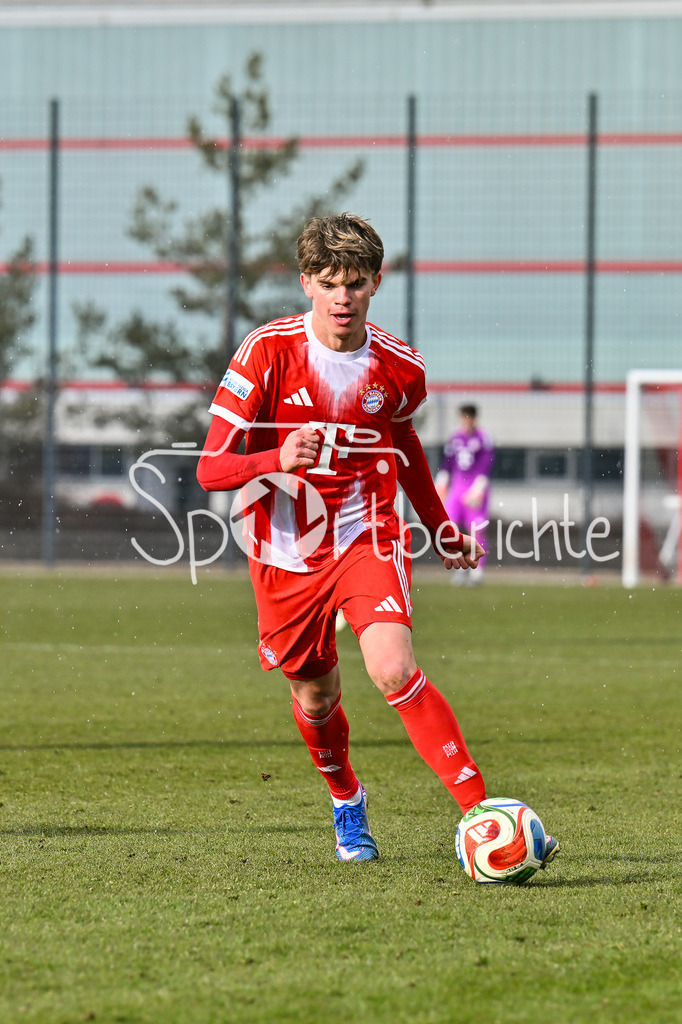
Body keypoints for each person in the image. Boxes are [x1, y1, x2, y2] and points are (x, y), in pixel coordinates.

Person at [197, 213, 558, 868]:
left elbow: (405, 442)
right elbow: (210, 468)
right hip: (286, 549)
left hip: (369, 532)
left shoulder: (400, 367)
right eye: (330, 282)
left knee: (392, 665)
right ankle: (346, 798)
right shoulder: (265, 354)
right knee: (316, 696)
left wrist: (440, 526)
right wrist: (275, 456)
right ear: (306, 282)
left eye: (356, 283)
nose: (343, 297)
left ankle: (482, 812)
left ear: (375, 284)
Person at [436, 404, 494, 584]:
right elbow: (447, 463)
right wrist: (441, 483)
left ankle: (477, 570)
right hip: (457, 486)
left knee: (477, 530)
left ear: (474, 418)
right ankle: (460, 567)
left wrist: (478, 488)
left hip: (475, 487)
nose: (466, 421)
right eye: (463, 417)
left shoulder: (484, 438)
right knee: (451, 528)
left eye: (469, 417)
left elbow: (487, 464)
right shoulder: (455, 437)